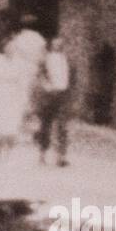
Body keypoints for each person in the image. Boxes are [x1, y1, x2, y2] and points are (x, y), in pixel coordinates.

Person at [35, 37, 72, 167]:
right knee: (46, 124)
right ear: (52, 46)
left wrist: (68, 91)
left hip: (62, 94)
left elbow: (70, 77)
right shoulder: (47, 58)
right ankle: (42, 154)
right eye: (56, 44)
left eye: (61, 44)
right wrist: (46, 87)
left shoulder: (66, 59)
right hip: (50, 95)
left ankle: (61, 156)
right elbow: (40, 75)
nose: (58, 46)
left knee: (62, 126)